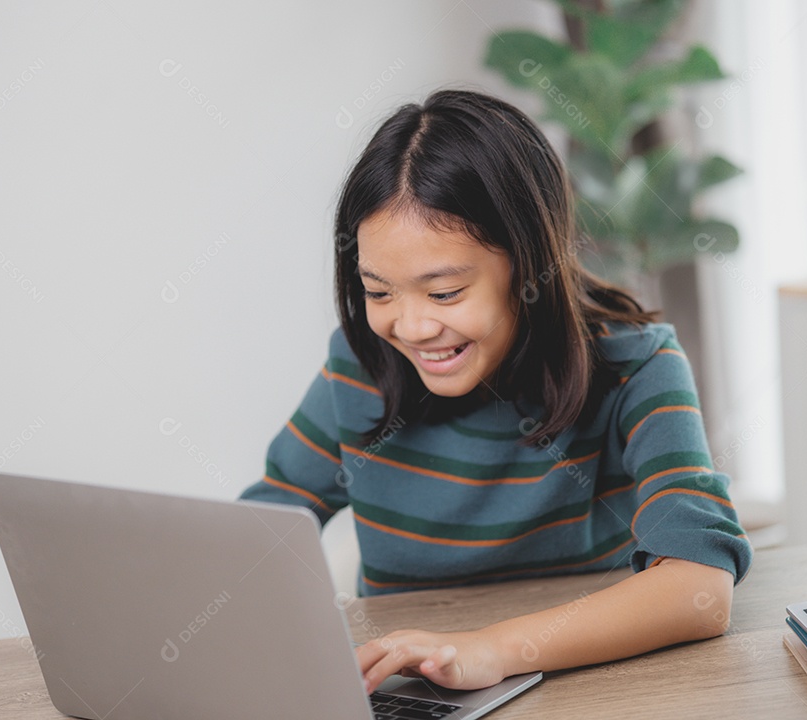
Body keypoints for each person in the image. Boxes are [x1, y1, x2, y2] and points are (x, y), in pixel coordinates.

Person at [239, 88, 752, 694]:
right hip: (417, 694)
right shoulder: (360, 366)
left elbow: (700, 590)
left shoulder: (635, 367)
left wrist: (494, 649)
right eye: (379, 292)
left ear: (530, 260)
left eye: (444, 292)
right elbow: (259, 531)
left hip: (593, 690)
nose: (411, 327)